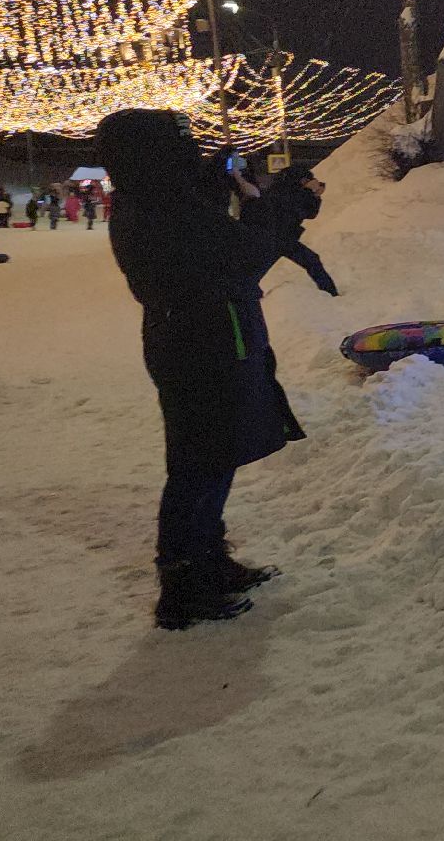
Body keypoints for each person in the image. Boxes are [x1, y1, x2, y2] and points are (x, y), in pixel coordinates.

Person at [96, 109, 302, 630]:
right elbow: (239, 255)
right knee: (198, 461)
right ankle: (183, 586)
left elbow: (203, 230)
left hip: (206, 334)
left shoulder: (153, 196)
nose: (189, 153)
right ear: (152, 154)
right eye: (179, 145)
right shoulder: (159, 205)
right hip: (200, 341)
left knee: (216, 450)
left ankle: (208, 558)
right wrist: (273, 208)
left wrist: (215, 180)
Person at [241, 165, 340, 295]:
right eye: (305, 180)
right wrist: (308, 192)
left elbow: (310, 213)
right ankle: (242, 293)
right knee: (257, 270)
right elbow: (291, 207)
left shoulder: (292, 191)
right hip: (273, 238)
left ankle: (331, 292)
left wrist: (315, 196)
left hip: (284, 238)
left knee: (311, 260)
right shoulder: (281, 191)